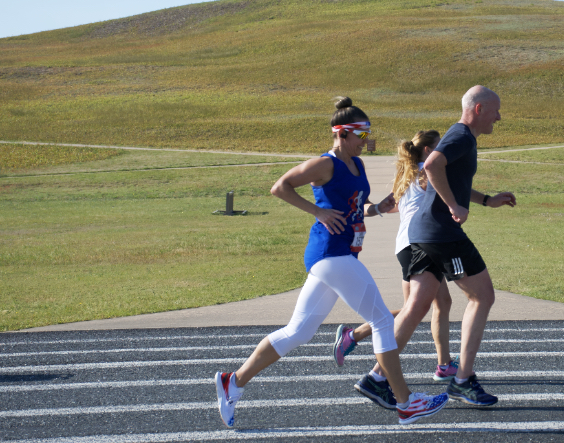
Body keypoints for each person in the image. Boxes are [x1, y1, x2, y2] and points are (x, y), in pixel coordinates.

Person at [214, 97, 448, 427]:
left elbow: (358, 205)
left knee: (298, 331)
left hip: (340, 256)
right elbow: (280, 187)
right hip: (331, 253)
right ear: (341, 133)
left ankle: (233, 382)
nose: (366, 142)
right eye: (361, 135)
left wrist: (378, 208)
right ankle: (405, 402)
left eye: (368, 135)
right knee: (382, 320)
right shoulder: (325, 164)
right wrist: (318, 211)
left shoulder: (358, 165)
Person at [352, 86, 516, 409]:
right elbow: (432, 165)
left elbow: (447, 174)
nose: (499, 116)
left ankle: (376, 377)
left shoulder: (460, 137)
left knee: (416, 307)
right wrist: (454, 205)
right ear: (479, 109)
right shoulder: (462, 136)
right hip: (442, 234)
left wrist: (485, 200)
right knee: (482, 295)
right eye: (496, 110)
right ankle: (463, 379)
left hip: (423, 233)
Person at [333, 130, 459, 407]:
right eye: (439, 147)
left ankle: (444, 364)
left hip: (410, 245)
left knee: (434, 303)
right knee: (415, 309)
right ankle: (373, 365)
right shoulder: (429, 171)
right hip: (421, 243)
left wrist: (378, 207)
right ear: (428, 150)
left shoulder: (410, 173)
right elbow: (449, 192)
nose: (443, 153)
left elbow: (397, 204)